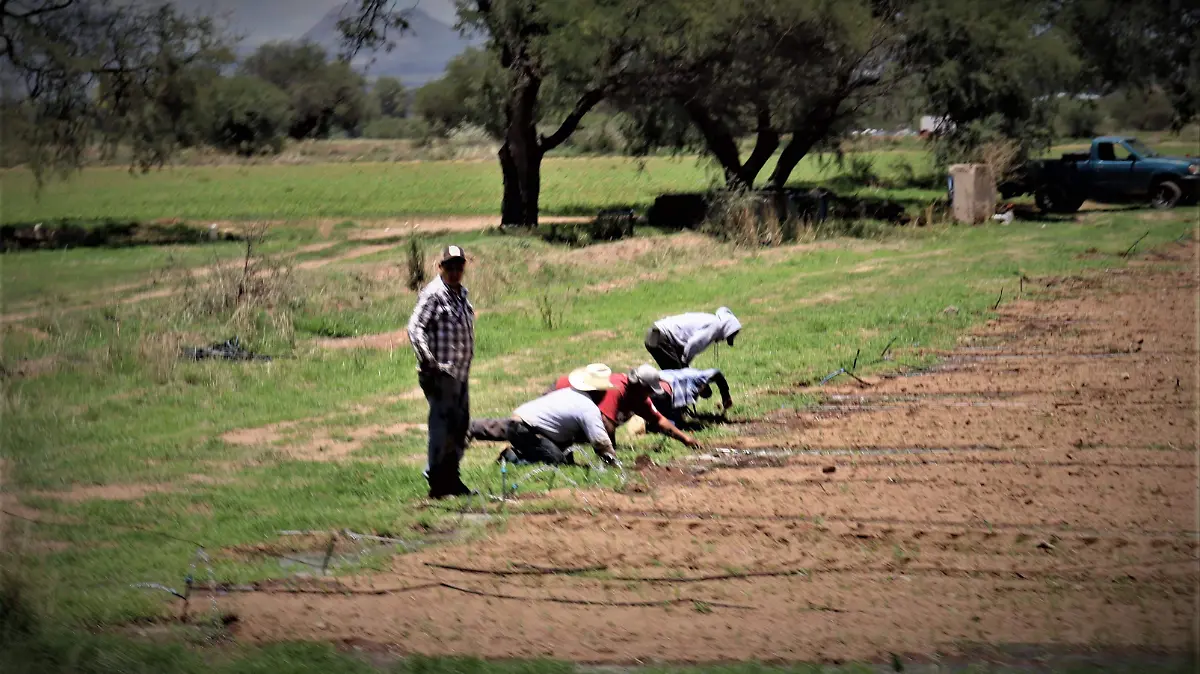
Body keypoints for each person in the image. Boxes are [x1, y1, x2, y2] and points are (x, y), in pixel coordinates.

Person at [407, 244, 475, 499]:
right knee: (442, 427)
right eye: (450, 267)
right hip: (441, 374)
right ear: (440, 268)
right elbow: (415, 328)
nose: (455, 271)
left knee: (460, 427)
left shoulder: (460, 294)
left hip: (460, 372)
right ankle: (437, 482)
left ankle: (451, 478)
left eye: (459, 267)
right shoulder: (434, 294)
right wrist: (428, 360)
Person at [469, 363, 622, 467]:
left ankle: (468, 427)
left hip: (521, 421)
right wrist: (614, 464)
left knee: (493, 428)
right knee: (556, 461)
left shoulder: (568, 393)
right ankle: (511, 457)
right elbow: (601, 442)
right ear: (599, 391)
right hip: (527, 429)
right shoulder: (588, 408)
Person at [549, 363, 699, 449]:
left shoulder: (638, 396)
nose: (651, 395)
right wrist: (611, 452)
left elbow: (659, 420)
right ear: (639, 385)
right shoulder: (617, 389)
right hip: (558, 396)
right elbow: (607, 423)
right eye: (649, 390)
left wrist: (685, 439)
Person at [644, 307, 742, 370]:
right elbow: (693, 344)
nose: (724, 340)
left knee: (676, 376)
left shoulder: (712, 321)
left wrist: (685, 367)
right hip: (660, 337)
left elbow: (685, 349)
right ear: (727, 329)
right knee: (677, 379)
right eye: (729, 336)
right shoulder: (715, 326)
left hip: (655, 335)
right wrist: (685, 364)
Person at [652, 368, 732, 426]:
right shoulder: (698, 378)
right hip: (664, 389)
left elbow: (717, 373)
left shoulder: (690, 373)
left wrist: (725, 394)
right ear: (703, 386)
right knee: (673, 422)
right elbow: (716, 372)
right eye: (700, 393)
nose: (697, 396)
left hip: (653, 381)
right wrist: (726, 395)